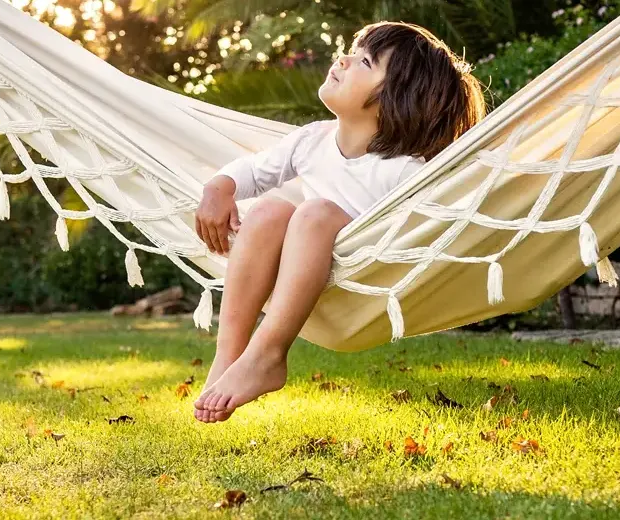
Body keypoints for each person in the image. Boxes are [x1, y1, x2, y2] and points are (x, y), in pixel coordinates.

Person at [191, 22, 487, 423]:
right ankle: (230, 351)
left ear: (395, 98)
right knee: (268, 210)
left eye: (364, 60)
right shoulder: (311, 140)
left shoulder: (404, 171)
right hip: (292, 269)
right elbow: (255, 171)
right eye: (353, 50)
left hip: (362, 274)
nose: (343, 59)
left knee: (314, 212)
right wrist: (218, 187)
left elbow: (434, 223)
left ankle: (269, 354)